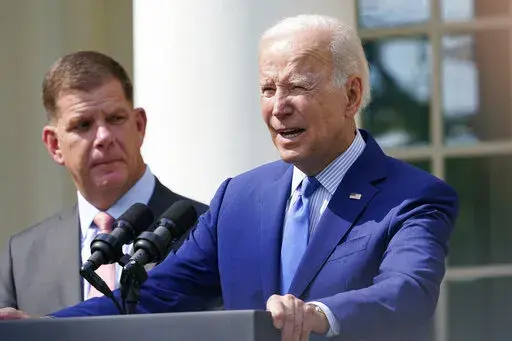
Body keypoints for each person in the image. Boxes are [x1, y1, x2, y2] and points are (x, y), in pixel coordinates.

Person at [0, 15, 458, 341]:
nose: (278, 106)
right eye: (267, 88)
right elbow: (151, 296)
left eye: (297, 86)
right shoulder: (240, 198)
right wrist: (45, 326)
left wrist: (319, 314)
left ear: (352, 94)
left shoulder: (414, 197)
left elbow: (407, 292)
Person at [0, 51, 208, 317]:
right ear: (54, 145)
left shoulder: (205, 228)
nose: (104, 137)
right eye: (83, 124)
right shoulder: (22, 256)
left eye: (115, 119)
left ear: (139, 125)